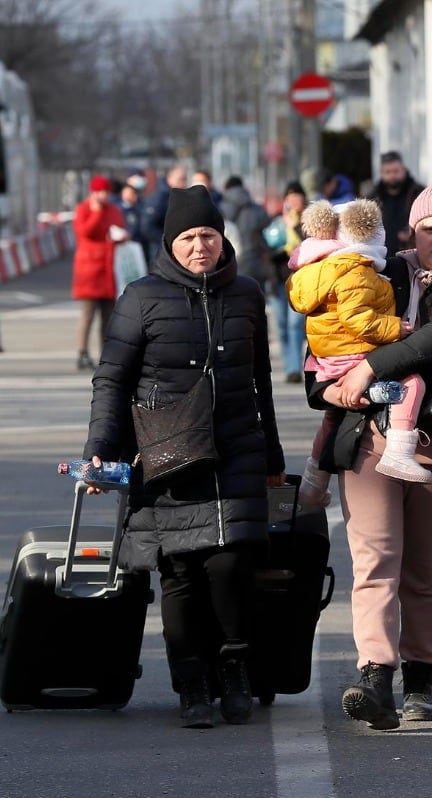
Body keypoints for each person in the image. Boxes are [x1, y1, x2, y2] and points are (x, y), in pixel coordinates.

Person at [83, 185, 287, 728]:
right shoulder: (141, 298)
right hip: (167, 453)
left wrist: (272, 453)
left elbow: (260, 379)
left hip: (238, 448)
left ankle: (235, 667)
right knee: (181, 572)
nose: (201, 247)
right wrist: (101, 451)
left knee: (232, 562)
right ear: (172, 244)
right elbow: (112, 381)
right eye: (190, 238)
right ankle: (191, 679)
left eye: (210, 236)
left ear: (224, 239)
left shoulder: (246, 294)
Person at [313, 169, 432, 730]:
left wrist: (373, 363)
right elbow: (329, 328)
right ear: (411, 229)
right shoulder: (376, 271)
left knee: (426, 567)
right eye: (429, 227)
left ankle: (420, 677)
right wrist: (325, 383)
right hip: (370, 439)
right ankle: (375, 675)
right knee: (374, 561)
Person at [287, 198, 429, 507]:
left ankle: (313, 484)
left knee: (332, 419)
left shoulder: (319, 271)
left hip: (327, 359)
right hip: (354, 354)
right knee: (412, 384)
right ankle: (399, 451)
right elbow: (358, 319)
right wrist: (396, 328)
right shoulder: (356, 271)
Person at [72, 175, 129, 371]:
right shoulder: (84, 209)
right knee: (88, 315)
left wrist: (122, 236)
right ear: (92, 192)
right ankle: (82, 352)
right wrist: (96, 213)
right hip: (90, 271)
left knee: (108, 315)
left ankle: (107, 355)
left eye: (106, 192)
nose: (104, 195)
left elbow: (121, 229)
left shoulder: (114, 210)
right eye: (100, 192)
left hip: (109, 270)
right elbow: (84, 232)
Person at [267, 181, 310, 383]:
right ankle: (289, 365)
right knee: (282, 326)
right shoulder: (277, 222)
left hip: (301, 281)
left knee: (295, 325)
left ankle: (295, 368)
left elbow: (313, 245)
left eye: (298, 196)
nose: (294, 201)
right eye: (290, 197)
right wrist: (281, 248)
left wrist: (296, 229)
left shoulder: (309, 222)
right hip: (277, 280)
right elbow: (266, 250)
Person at [367, 150, 424, 255]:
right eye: (388, 172)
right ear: (382, 173)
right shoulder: (373, 197)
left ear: (403, 170)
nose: (392, 176)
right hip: (381, 256)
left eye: (396, 171)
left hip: (411, 255)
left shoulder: (419, 194)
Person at [220, 176, 271, 291]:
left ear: (226, 189)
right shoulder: (257, 209)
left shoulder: (220, 208)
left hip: (230, 264)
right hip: (255, 261)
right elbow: (268, 231)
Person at [141, 164, 188, 262]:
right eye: (180, 179)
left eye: (185, 180)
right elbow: (147, 227)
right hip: (161, 253)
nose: (183, 184)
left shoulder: (179, 196)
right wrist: (168, 241)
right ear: (169, 178)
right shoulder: (159, 199)